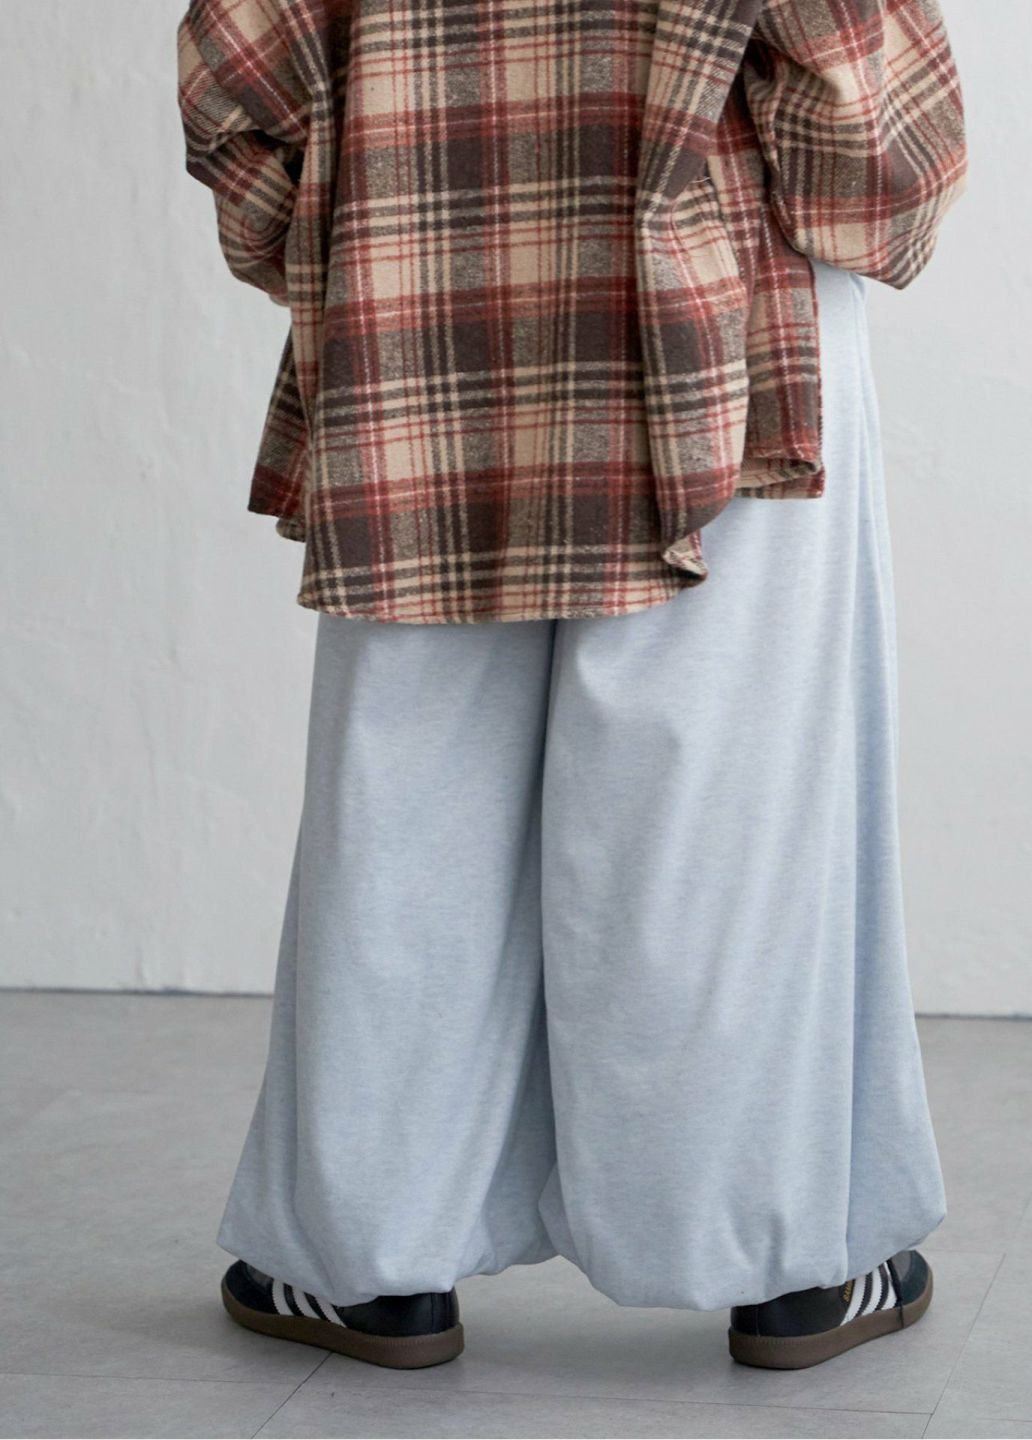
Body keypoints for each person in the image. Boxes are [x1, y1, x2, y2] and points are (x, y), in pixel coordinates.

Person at [176, 0, 966, 1372]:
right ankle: (784, 1259)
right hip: (726, 342)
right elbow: (875, 162)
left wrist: (386, 213)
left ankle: (371, 1261)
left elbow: (236, 77)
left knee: (407, 799)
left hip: (421, 296)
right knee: (720, 809)